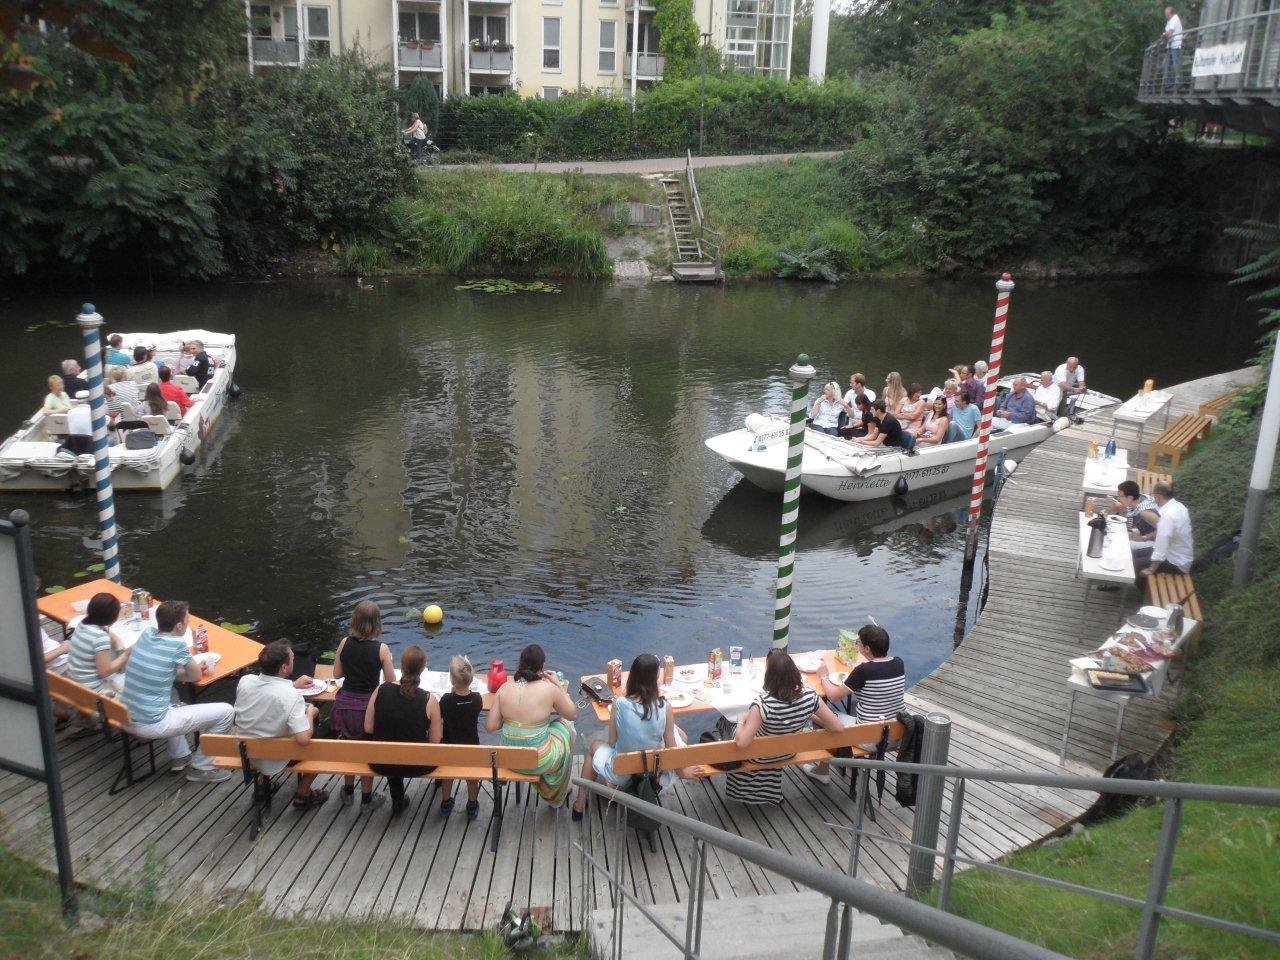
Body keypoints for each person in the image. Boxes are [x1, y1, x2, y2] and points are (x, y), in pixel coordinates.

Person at [119, 600, 234, 783]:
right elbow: (195, 675)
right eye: (187, 620)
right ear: (179, 625)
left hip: (127, 715)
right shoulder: (177, 645)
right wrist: (189, 671)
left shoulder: (146, 634)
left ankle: (180, 755)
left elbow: (161, 668)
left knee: (173, 695)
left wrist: (175, 673)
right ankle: (202, 767)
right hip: (151, 722)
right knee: (226, 712)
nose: (189, 623)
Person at [572, 653, 690, 820]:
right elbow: (671, 747)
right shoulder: (665, 707)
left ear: (633, 676)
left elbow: (612, 742)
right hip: (653, 776)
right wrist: (683, 772)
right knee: (678, 737)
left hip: (622, 773)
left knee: (594, 746)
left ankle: (579, 805)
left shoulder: (619, 704)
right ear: (655, 678)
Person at [725, 650, 843, 805]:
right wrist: (808, 713)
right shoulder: (810, 697)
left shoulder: (763, 704)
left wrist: (741, 721)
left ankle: (742, 788)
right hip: (788, 752)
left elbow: (742, 743)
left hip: (759, 755)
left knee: (726, 722)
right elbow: (838, 727)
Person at [233, 640, 328, 811]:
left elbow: (268, 689)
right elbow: (303, 739)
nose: (294, 660)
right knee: (325, 740)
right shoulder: (291, 696)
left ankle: (262, 784)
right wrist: (310, 712)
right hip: (277, 757)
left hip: (248, 754)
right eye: (292, 658)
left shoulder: (245, 681)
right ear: (284, 668)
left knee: (260, 723)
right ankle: (303, 793)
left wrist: (293, 684)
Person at [806, 624, 907, 782]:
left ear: (866, 648)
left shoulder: (864, 671)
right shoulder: (899, 664)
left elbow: (832, 696)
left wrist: (823, 676)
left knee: (821, 715)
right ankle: (839, 760)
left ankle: (822, 770)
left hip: (870, 739)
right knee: (852, 706)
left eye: (858, 642)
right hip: (896, 735)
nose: (856, 645)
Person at [487, 643, 577, 806]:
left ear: (520, 664)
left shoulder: (504, 688)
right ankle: (555, 791)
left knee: (540, 730)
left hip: (509, 758)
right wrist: (557, 684)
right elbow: (572, 713)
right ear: (542, 667)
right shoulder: (550, 689)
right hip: (539, 761)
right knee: (566, 725)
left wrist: (509, 717)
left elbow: (491, 726)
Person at [331, 601, 396, 809]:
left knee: (348, 747)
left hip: (345, 704)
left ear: (354, 620)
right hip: (368, 706)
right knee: (367, 749)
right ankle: (367, 797)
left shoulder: (344, 643)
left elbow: (336, 674)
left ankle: (349, 791)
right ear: (377, 623)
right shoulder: (381, 649)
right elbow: (390, 681)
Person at [365, 645, 442, 817]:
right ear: (423, 669)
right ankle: (440, 788)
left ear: (401, 664)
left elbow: (368, 727)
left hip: (381, 762)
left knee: (392, 742)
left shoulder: (381, 690)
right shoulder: (429, 700)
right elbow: (436, 742)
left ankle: (397, 798)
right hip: (418, 766)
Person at [437, 655, 484, 820]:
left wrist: (451, 694)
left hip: (450, 747)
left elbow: (442, 712)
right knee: (472, 777)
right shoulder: (477, 699)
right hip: (471, 747)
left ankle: (445, 803)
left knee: (447, 775)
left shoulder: (446, 700)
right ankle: (472, 805)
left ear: (451, 680)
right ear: (471, 679)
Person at [68, 592, 130, 695]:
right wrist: (126, 654)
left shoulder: (83, 623)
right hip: (92, 690)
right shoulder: (100, 637)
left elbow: (111, 636)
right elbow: (104, 672)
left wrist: (117, 642)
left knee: (117, 658)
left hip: (75, 681)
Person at [1137, 482, 1194, 583]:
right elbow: (1164, 534)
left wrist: (1151, 570)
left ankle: (1147, 596)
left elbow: (1161, 545)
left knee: (1135, 565)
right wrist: (1144, 538)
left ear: (1158, 496)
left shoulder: (1168, 516)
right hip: (1177, 556)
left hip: (1176, 563)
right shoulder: (1179, 506)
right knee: (1134, 554)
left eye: (1153, 495)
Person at [1163, 6, 1183, 87]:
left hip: (1176, 45)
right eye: (1165, 14)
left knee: (1175, 64)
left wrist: (1164, 34)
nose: (1166, 16)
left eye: (1167, 14)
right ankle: (1169, 82)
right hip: (1170, 46)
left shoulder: (1174, 18)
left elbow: (1170, 32)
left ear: (1171, 13)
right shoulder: (1170, 20)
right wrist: (1165, 34)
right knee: (1166, 64)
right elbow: (1168, 32)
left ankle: (1178, 83)